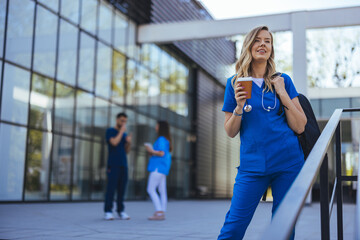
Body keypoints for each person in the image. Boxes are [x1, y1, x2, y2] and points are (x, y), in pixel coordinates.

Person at [218, 26, 307, 240]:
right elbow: (230, 131)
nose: (263, 44)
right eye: (258, 40)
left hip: (288, 162)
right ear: (249, 46)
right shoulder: (235, 83)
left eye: (267, 41)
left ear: (271, 49)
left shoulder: (283, 80)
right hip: (253, 165)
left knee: (284, 226)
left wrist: (282, 92)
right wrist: (238, 107)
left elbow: (300, 126)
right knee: (234, 226)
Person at [104, 112, 132, 220]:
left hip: (123, 165)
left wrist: (129, 142)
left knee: (122, 189)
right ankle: (108, 211)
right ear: (117, 120)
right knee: (111, 189)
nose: (123, 123)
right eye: (122, 120)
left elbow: (127, 151)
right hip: (113, 164)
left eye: (125, 121)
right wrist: (121, 132)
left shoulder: (124, 135)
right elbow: (114, 143)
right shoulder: (110, 131)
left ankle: (121, 211)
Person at [145, 121, 172, 220]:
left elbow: (161, 153)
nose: (155, 127)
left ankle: (159, 212)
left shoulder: (161, 139)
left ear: (160, 127)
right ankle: (162, 212)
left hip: (157, 167)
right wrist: (152, 152)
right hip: (163, 168)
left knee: (150, 189)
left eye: (157, 125)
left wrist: (150, 150)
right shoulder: (166, 140)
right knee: (162, 191)